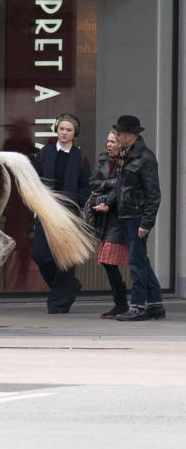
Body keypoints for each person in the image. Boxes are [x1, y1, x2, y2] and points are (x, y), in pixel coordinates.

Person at [32, 113, 90, 314]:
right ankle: (69, 286)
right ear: (56, 130)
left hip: (69, 214)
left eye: (68, 130)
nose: (64, 133)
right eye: (61, 129)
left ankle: (59, 302)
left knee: (66, 260)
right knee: (40, 255)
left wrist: (77, 204)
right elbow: (33, 179)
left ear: (75, 133)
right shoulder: (44, 153)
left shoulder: (80, 157)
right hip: (46, 212)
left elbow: (85, 186)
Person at [110, 115, 165, 321]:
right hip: (128, 214)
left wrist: (146, 222)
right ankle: (156, 304)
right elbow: (121, 186)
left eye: (121, 134)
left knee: (136, 261)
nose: (118, 137)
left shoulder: (145, 158)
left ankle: (138, 306)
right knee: (141, 260)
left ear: (131, 135)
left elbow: (153, 194)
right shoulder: (128, 155)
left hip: (136, 215)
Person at [88, 130, 128, 318]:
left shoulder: (127, 163)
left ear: (121, 144)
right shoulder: (103, 159)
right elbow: (93, 182)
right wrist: (109, 182)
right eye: (108, 141)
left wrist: (108, 199)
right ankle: (121, 303)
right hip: (103, 217)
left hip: (119, 217)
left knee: (112, 260)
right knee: (107, 262)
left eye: (113, 141)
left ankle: (125, 303)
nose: (109, 144)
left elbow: (122, 188)